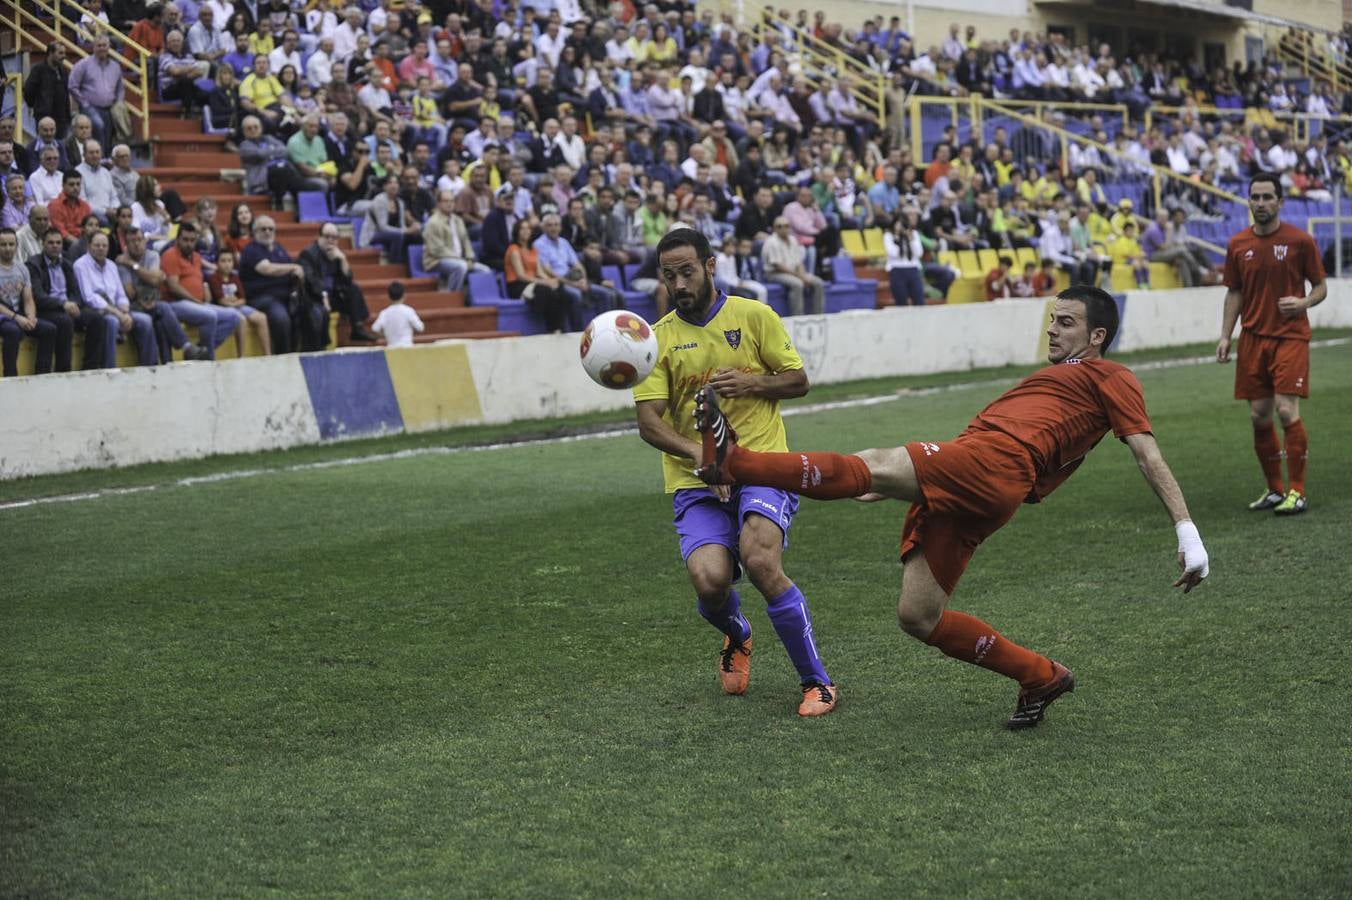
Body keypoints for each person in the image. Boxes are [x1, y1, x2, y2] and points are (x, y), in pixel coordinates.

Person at [693, 285, 1210, 729]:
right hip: (982, 475)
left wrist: (1187, 531)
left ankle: (735, 463)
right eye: (1052, 320)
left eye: (1067, 323)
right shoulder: (1056, 382)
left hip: (996, 465)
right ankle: (1040, 675)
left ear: (1098, 337)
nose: (1053, 330)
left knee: (870, 461)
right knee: (919, 616)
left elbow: (1145, 450)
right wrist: (918, 480)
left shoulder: (1111, 376)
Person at [633, 227, 839, 717]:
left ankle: (817, 683)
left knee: (761, 560)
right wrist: (705, 460)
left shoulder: (754, 316)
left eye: (686, 271)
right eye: (669, 275)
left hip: (764, 465)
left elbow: (798, 381)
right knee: (709, 582)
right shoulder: (657, 340)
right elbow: (649, 423)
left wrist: (752, 382)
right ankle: (737, 634)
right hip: (696, 480)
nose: (679, 284)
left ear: (710, 265)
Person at [1217, 173, 1327, 516]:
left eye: (1267, 197)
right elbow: (1234, 291)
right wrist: (1225, 335)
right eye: (1255, 197)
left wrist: (1304, 303)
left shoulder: (1300, 241)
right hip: (1252, 338)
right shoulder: (1237, 244)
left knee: (1285, 409)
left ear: (1280, 201)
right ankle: (1275, 490)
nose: (1261, 203)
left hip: (1290, 337)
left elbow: (1321, 286)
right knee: (1258, 415)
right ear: (1249, 201)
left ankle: (1298, 491)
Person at [28, 227, 109, 371]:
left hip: (67, 307)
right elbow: (38, 296)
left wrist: (74, 304)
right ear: (43, 244)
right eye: (51, 243)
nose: (55, 246)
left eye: (58, 243)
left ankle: (91, 367)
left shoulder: (66, 263)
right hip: (45, 310)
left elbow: (75, 292)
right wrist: (63, 304)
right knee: (65, 321)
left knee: (96, 318)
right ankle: (63, 370)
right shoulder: (34, 264)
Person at [159, 222, 242, 358]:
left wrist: (203, 296)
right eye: (185, 240)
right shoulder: (170, 255)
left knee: (233, 316)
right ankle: (208, 359)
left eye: (192, 240)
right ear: (178, 239)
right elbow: (173, 287)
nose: (189, 244)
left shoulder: (197, 257)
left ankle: (199, 351)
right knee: (209, 316)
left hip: (197, 303)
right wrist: (195, 301)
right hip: (175, 303)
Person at [239, 215, 307, 353]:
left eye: (271, 229)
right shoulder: (251, 250)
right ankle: (283, 356)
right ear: (255, 232)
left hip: (285, 295)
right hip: (262, 298)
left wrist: (297, 273)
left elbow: (290, 269)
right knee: (281, 318)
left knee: (310, 313)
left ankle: (306, 353)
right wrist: (293, 267)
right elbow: (267, 269)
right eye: (263, 229)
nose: (267, 232)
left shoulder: (279, 249)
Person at [297, 223, 375, 344]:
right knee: (318, 311)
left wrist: (343, 260)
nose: (331, 241)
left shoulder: (336, 254)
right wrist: (323, 296)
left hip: (332, 295)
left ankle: (357, 328)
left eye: (334, 238)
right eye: (327, 237)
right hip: (314, 298)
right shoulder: (308, 254)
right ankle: (322, 345)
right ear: (320, 237)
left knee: (353, 288)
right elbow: (311, 281)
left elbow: (347, 281)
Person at [0, 228, 58, 377]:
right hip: (3, 316)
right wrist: (17, 318)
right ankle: (10, 376)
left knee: (49, 329)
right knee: (13, 331)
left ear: (16, 246)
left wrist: (31, 317)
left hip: (16, 314)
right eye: (3, 244)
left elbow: (28, 298)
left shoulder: (22, 268)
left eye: (11, 244)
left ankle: (42, 374)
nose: (8, 248)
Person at [207, 247, 270, 357]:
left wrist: (234, 302)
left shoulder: (235, 277)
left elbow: (243, 298)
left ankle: (268, 354)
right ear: (216, 263)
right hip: (225, 309)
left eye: (229, 261)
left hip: (238, 305)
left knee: (262, 317)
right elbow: (221, 300)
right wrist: (234, 302)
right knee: (241, 319)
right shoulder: (214, 278)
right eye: (223, 261)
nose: (227, 264)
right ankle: (242, 356)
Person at [372, 281, 424, 348]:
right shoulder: (408, 311)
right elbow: (420, 328)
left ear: (389, 296)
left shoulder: (385, 313)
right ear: (404, 295)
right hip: (407, 347)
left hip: (391, 349)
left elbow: (375, 329)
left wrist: (385, 335)